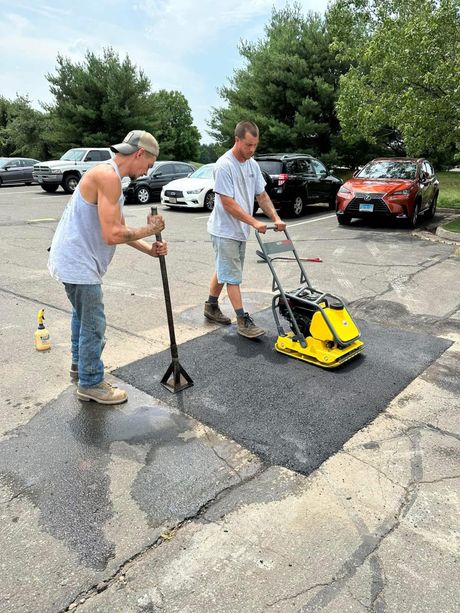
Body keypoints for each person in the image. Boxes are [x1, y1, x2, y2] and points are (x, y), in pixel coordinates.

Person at [48, 130, 167, 405]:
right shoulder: (108, 176)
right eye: (148, 165)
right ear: (139, 154)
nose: (147, 171)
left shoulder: (110, 176)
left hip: (73, 260)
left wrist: (149, 247)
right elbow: (112, 235)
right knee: (94, 324)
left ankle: (81, 368)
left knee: (83, 317)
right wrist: (149, 229)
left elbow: (120, 229)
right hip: (77, 262)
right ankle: (91, 383)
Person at [205, 121, 286, 338]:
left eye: (255, 146)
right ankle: (243, 320)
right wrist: (254, 222)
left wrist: (276, 217)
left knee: (225, 268)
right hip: (224, 229)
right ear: (237, 140)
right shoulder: (224, 165)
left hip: (239, 229)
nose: (251, 150)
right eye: (248, 145)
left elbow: (262, 195)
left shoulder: (252, 165)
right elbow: (227, 203)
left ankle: (211, 306)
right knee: (232, 276)